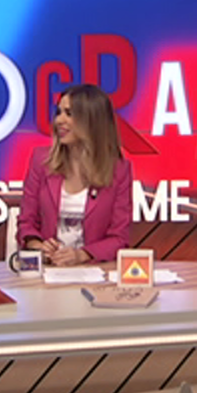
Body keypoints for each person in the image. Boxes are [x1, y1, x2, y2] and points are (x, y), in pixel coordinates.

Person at [18, 84, 133, 266]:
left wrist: (83, 255)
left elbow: (119, 238)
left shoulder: (118, 169)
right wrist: (38, 246)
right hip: (48, 270)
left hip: (94, 271)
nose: (59, 120)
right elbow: (26, 223)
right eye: (59, 112)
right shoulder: (41, 161)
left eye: (69, 114)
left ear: (92, 121)